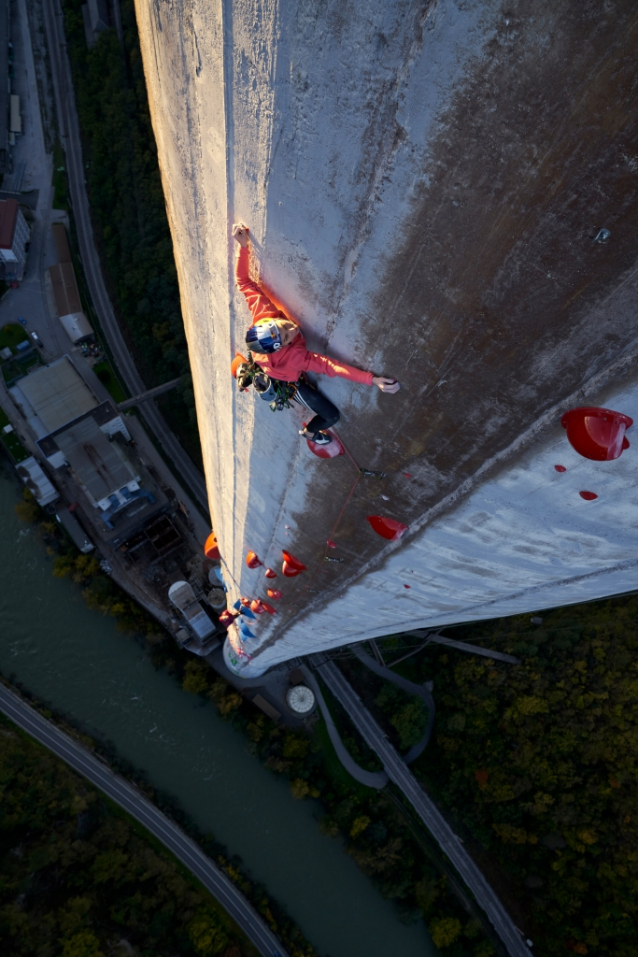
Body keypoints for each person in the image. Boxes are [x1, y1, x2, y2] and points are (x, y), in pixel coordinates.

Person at [232, 223, 399, 445]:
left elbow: (243, 282)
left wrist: (243, 247)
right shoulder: (296, 358)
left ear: (268, 322)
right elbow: (331, 367)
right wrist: (372, 379)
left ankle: (248, 372)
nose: (291, 328)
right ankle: (309, 433)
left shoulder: (264, 313)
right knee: (331, 416)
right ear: (281, 348)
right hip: (287, 382)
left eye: (282, 326)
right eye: (287, 338)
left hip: (267, 361)